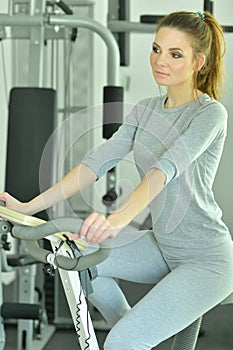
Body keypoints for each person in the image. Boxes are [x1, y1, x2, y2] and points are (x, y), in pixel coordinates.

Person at [1, 10, 233, 349]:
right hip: (163, 246)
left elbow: (162, 173)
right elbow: (93, 165)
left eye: (175, 54)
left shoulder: (209, 114)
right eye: (156, 49)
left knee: (121, 343)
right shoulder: (145, 109)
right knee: (77, 255)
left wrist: (114, 221)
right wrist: (28, 206)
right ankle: (128, 331)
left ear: (198, 62)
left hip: (206, 259)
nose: (160, 61)